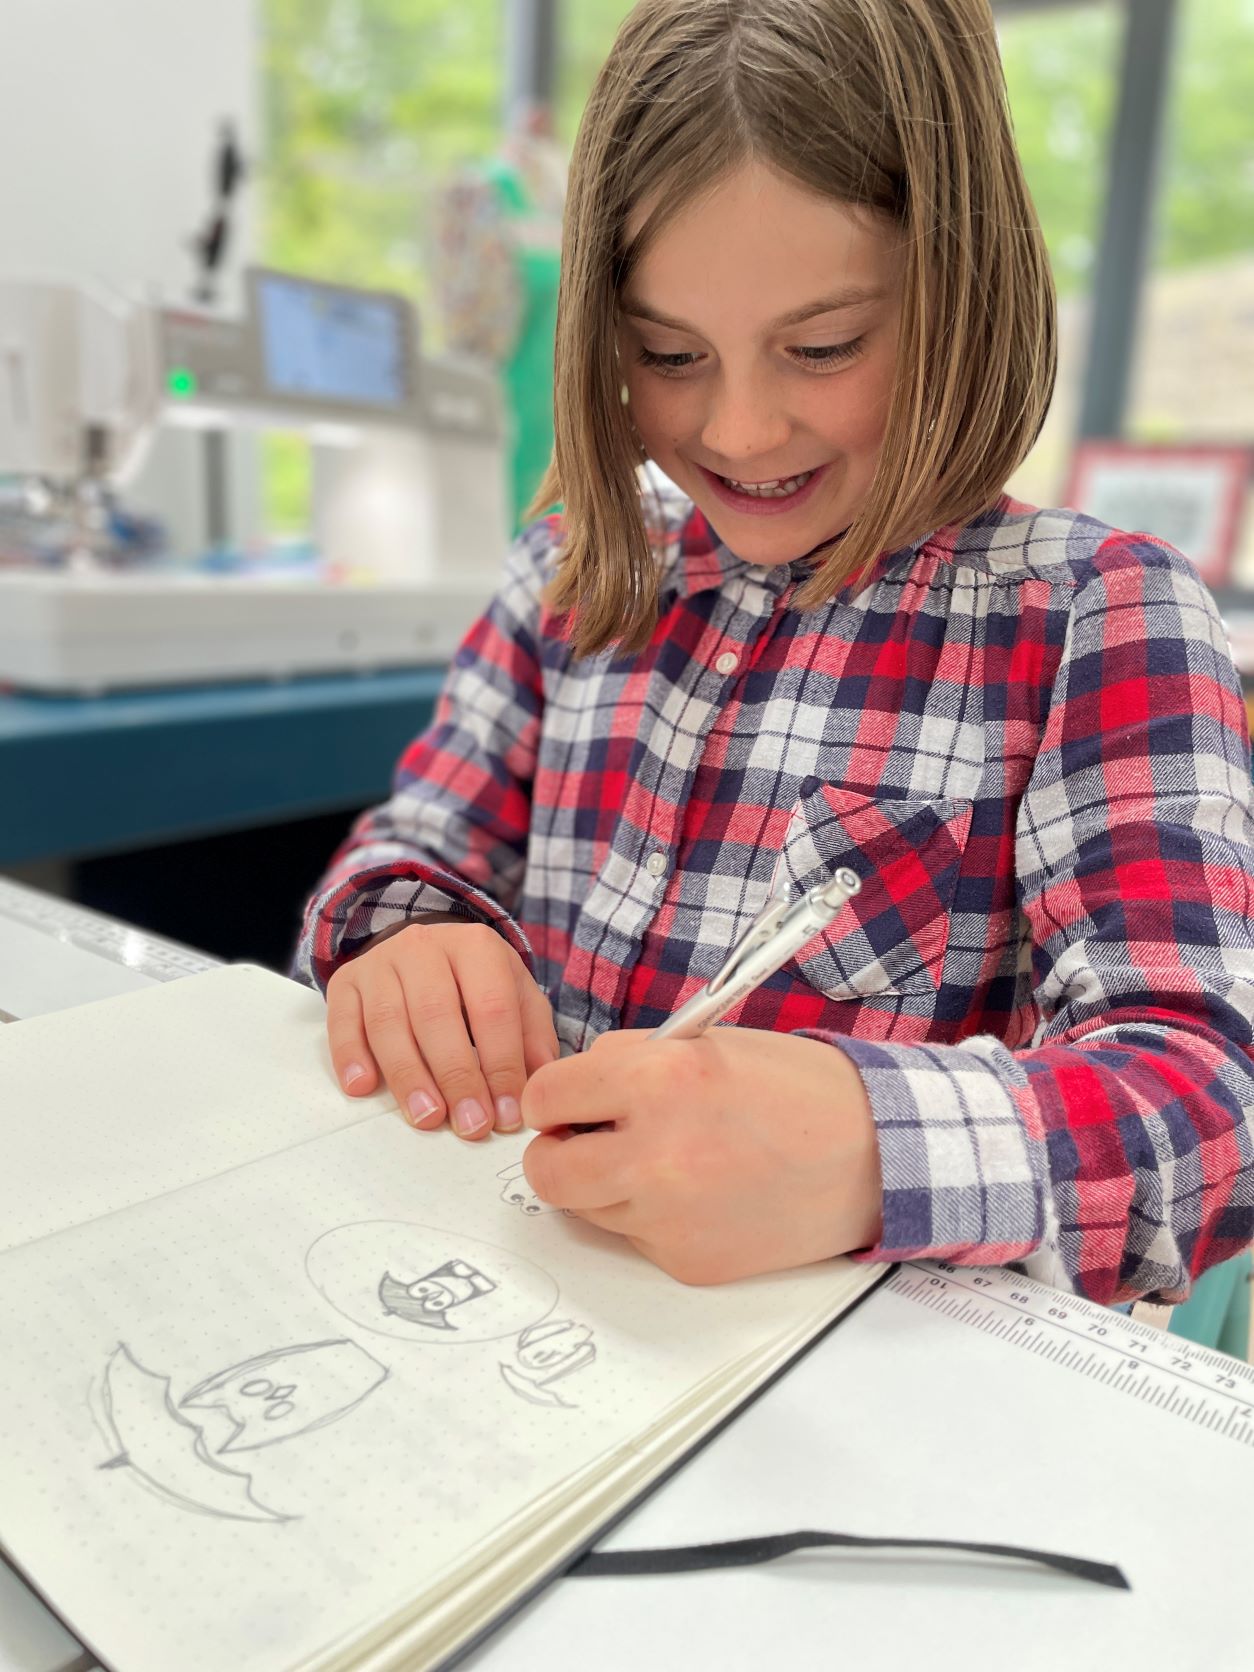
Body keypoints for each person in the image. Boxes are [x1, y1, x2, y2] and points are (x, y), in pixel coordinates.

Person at [294, 0, 1254, 1307]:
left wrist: (869, 1151)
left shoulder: (1097, 615)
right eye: (665, 352)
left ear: (959, 286)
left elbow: (1206, 1107)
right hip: (523, 1307)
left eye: (821, 346)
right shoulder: (572, 570)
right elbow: (415, 842)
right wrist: (401, 933)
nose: (737, 428)